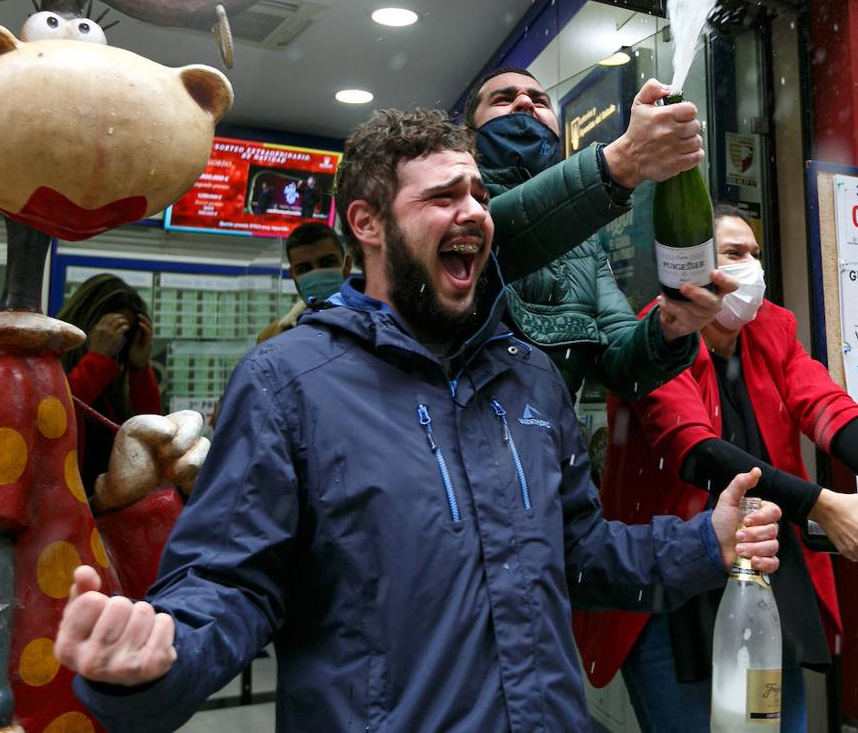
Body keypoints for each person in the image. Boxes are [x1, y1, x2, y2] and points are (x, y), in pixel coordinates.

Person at [54, 109, 784, 732]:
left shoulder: (528, 378)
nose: (472, 212)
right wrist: (159, 657)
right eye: (442, 196)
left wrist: (701, 542)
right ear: (367, 224)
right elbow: (229, 580)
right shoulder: (286, 384)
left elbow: (581, 555)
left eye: (477, 194)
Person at [573, 204, 858, 733]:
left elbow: (830, 409)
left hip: (765, 578)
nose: (751, 267)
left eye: (755, 254)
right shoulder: (654, 340)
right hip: (668, 586)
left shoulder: (772, 329)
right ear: (691, 267)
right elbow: (695, 451)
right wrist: (824, 506)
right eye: (734, 254)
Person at [467, 66, 731, 402]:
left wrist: (671, 328)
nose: (524, 102)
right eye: (503, 99)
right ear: (469, 131)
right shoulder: (459, 201)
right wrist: (624, 161)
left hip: (553, 447)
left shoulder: (585, 242)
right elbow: (491, 242)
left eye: (539, 100)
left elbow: (621, 367)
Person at [57, 273, 161, 496]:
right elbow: (58, 417)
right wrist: (97, 359)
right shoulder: (52, 366)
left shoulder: (113, 381)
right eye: (114, 331)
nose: (118, 343)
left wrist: (139, 370)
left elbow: (152, 438)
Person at [256, 220, 351, 343]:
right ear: (293, 275)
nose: (317, 274)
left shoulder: (375, 324)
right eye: (304, 269)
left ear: (347, 265)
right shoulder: (271, 338)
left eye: (327, 263)